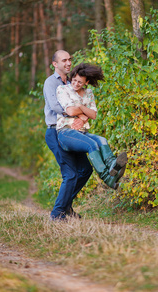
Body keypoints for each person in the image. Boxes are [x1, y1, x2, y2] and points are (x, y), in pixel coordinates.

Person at [56, 63, 127, 189]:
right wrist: (84, 113)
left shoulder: (88, 93)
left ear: (86, 82)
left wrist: (81, 108)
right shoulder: (63, 90)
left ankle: (112, 166)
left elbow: (93, 114)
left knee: (102, 140)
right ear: (72, 77)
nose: (76, 84)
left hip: (82, 132)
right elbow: (70, 111)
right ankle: (107, 177)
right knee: (91, 144)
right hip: (66, 132)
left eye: (80, 82)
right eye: (74, 80)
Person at [43, 50, 93, 221]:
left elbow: (84, 103)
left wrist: (82, 115)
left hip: (72, 131)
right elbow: (56, 106)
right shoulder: (50, 83)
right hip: (55, 132)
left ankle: (65, 206)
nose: (68, 63)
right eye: (64, 60)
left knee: (85, 170)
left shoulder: (73, 82)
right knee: (70, 174)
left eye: (70, 59)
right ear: (55, 64)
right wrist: (79, 114)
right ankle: (57, 214)